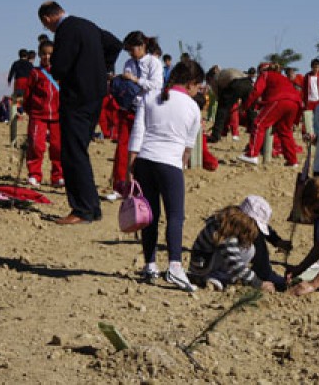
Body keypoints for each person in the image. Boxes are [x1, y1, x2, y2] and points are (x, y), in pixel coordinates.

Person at [38, 0, 123, 225]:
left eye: (46, 26)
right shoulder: (88, 25)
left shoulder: (65, 31)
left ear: (47, 19)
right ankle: (92, 207)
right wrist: (103, 68)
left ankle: (82, 209)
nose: (48, 30)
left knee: (72, 153)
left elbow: (60, 67)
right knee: (79, 151)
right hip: (96, 96)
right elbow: (115, 44)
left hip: (76, 98)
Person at [127, 60, 204, 291]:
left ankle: (150, 265)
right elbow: (188, 148)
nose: (197, 91)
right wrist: (178, 166)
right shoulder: (192, 107)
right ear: (190, 83)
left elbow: (138, 131)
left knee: (149, 215)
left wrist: (131, 164)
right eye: (197, 86)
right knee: (175, 216)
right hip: (169, 164)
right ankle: (175, 267)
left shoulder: (150, 97)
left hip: (145, 160)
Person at [108, 32, 164, 201]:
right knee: (123, 148)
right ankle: (120, 186)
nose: (131, 53)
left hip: (148, 111)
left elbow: (156, 86)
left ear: (142, 47)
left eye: (132, 49)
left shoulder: (154, 63)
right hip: (129, 109)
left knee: (144, 150)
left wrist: (136, 80)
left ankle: (140, 186)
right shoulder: (128, 63)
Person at [188, 205, 276, 292]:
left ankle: (222, 276)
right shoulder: (227, 234)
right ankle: (211, 277)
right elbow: (235, 263)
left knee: (249, 249)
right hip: (202, 267)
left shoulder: (230, 225)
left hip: (209, 263)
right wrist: (259, 283)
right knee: (240, 254)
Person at [237, 63, 301, 166]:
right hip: (295, 103)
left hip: (280, 100)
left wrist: (245, 106)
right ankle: (292, 161)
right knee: (285, 131)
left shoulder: (265, 75)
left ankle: (252, 155)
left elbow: (256, 91)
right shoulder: (283, 78)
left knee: (259, 124)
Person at [23, 40, 63, 188]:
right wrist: (31, 111)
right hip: (38, 115)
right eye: (44, 54)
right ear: (39, 55)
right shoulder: (35, 73)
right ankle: (34, 175)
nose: (47, 57)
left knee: (58, 147)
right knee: (36, 145)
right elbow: (27, 94)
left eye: (50, 54)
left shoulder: (61, 72)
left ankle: (58, 176)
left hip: (58, 116)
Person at [240, 194, 292, 291]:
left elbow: (265, 230)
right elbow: (262, 272)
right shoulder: (251, 236)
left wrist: (277, 241)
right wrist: (261, 282)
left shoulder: (229, 218)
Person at [206, 67, 254, 143]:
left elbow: (218, 96)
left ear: (209, 77)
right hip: (248, 83)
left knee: (221, 109)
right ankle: (255, 133)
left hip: (236, 83)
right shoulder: (224, 72)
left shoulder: (214, 78)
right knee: (251, 111)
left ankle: (215, 136)